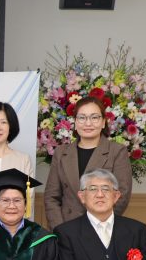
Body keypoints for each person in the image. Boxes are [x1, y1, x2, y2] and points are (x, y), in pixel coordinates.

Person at [43, 95, 132, 228]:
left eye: (94, 117)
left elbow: (121, 196)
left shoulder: (117, 152)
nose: (88, 123)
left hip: (101, 229)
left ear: (103, 122)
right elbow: (51, 197)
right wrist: (60, 230)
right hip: (66, 228)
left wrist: (99, 225)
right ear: (75, 122)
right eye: (82, 117)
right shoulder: (61, 152)